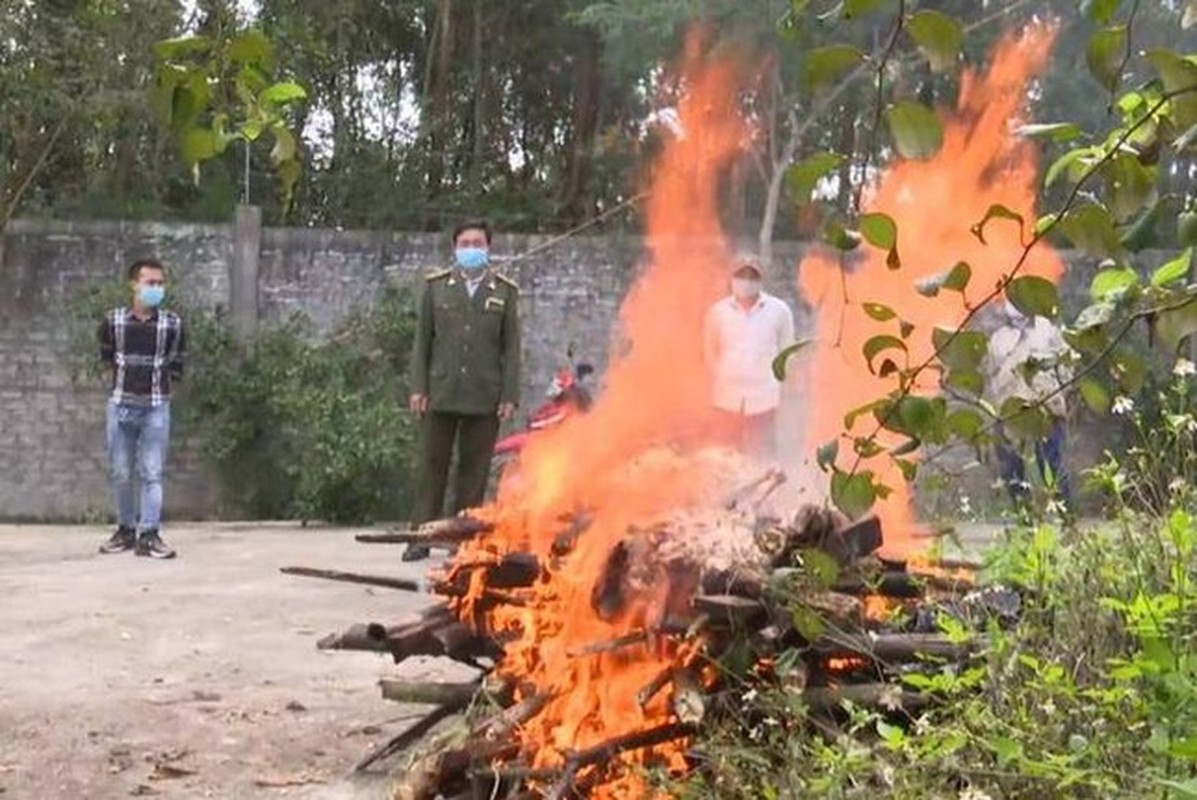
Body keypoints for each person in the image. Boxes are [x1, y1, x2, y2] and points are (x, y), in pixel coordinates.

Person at [404, 220, 521, 561]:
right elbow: (422, 342)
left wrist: (508, 395)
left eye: (477, 243)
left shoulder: (504, 291)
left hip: (484, 395)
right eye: (465, 243)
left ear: (488, 248)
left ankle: (462, 541)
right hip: (440, 392)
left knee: (475, 472)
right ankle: (419, 537)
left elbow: (511, 348)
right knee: (431, 468)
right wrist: (418, 387)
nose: (471, 249)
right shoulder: (437, 288)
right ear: (455, 249)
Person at [96, 258, 185, 559]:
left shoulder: (172, 324)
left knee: (152, 473)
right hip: (120, 406)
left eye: (160, 284)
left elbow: (176, 364)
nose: (156, 289)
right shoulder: (114, 322)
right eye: (150, 283)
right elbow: (107, 358)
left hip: (155, 409)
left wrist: (157, 391)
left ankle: (149, 534)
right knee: (121, 472)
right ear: (134, 284)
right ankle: (125, 530)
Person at [984, 300, 1074, 512]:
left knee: (1052, 462)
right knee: (1011, 466)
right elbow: (992, 374)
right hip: (1010, 409)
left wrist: (1060, 394)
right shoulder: (999, 339)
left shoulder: (1049, 331)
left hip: (1047, 405)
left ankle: (1067, 516)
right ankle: (1023, 516)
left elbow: (1067, 366)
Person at [703, 254, 795, 458]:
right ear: (732, 278)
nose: (746, 282)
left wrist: (782, 385)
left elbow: (787, 352)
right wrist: (720, 376)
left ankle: (768, 487)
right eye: (741, 275)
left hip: (764, 396)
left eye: (752, 277)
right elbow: (710, 350)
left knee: (763, 454)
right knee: (725, 456)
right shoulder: (717, 312)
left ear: (761, 280)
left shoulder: (779, 310)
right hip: (726, 397)